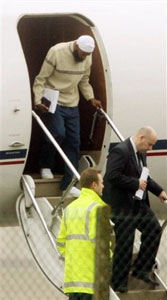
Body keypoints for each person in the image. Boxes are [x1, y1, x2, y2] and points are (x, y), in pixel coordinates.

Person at [102, 126, 167, 293]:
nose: (151, 148)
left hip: (138, 203)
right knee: (125, 243)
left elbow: (144, 176)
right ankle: (119, 283)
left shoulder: (141, 152)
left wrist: (159, 191)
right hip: (122, 205)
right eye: (150, 144)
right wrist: (135, 183)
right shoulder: (121, 151)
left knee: (154, 230)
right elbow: (112, 176)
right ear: (142, 138)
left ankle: (141, 269)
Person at [33, 35, 102, 191]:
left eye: (87, 55)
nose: (84, 57)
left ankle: (69, 183)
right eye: (83, 53)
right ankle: (45, 165)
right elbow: (40, 79)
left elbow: (84, 81)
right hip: (54, 99)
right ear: (76, 46)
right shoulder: (56, 51)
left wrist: (91, 98)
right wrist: (38, 101)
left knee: (74, 142)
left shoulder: (87, 58)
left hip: (72, 102)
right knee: (57, 133)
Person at [56, 167, 111, 300]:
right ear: (94, 185)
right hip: (92, 280)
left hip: (73, 280)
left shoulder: (69, 209)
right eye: (101, 183)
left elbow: (61, 243)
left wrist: (74, 259)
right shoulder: (97, 209)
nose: (103, 186)